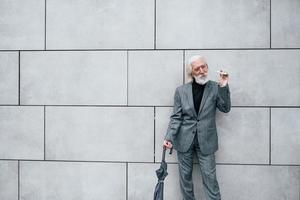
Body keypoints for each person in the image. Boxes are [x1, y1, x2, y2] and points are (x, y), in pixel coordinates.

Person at [163, 55, 231, 200]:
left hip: (206, 141)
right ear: (192, 72)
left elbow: (225, 108)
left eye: (203, 66)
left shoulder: (215, 87)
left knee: (210, 179)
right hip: (184, 140)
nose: (201, 71)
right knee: (185, 180)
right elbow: (176, 117)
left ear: (207, 67)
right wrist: (169, 137)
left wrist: (224, 85)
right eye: (197, 68)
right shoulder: (181, 91)